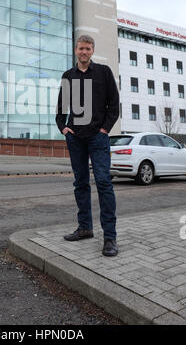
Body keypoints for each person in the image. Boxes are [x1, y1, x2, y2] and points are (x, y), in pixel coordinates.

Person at [56, 35, 120, 257]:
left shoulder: (103, 72)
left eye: (88, 48)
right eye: (81, 48)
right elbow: (61, 109)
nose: (84, 52)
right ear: (76, 50)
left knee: (103, 183)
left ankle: (110, 237)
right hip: (76, 138)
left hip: (97, 138)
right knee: (80, 183)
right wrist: (63, 128)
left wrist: (104, 130)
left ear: (92, 51)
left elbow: (114, 105)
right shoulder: (68, 76)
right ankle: (85, 228)